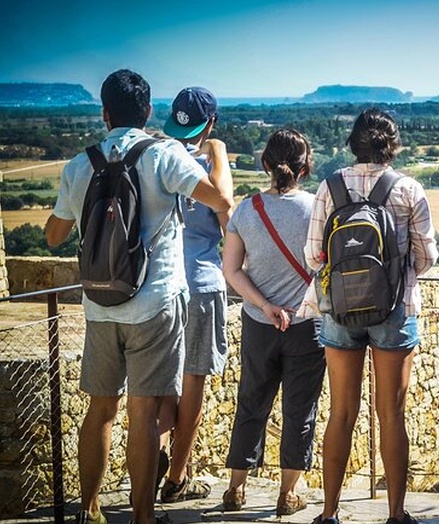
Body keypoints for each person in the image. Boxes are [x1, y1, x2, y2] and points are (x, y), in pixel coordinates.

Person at [44, 69, 233, 524]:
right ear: (148, 111)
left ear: (105, 113)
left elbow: (53, 236)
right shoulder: (163, 154)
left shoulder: (80, 163)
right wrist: (219, 154)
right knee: (144, 414)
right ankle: (144, 518)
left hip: (99, 304)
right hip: (156, 302)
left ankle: (89, 510)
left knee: (100, 408)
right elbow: (221, 200)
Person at [305, 108, 438, 524]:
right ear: (392, 146)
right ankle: (397, 514)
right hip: (395, 310)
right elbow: (427, 256)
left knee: (341, 412)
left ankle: (329, 513)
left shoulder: (329, 188)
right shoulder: (408, 189)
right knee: (391, 414)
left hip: (340, 310)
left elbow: (313, 255)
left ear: (352, 144)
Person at [220, 129, 326, 516]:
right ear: (305, 167)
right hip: (306, 324)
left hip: (259, 324)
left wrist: (264, 305)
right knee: (301, 409)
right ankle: (288, 494)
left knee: (251, 402)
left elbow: (231, 269)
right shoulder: (318, 209)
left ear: (265, 165)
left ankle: (235, 489)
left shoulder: (246, 210)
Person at [155, 86, 234, 503]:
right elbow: (228, 219)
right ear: (212, 124)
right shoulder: (208, 165)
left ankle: (156, 458)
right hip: (201, 284)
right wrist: (218, 152)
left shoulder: (156, 160)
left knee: (160, 383)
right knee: (193, 382)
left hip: (159, 287)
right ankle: (177, 479)